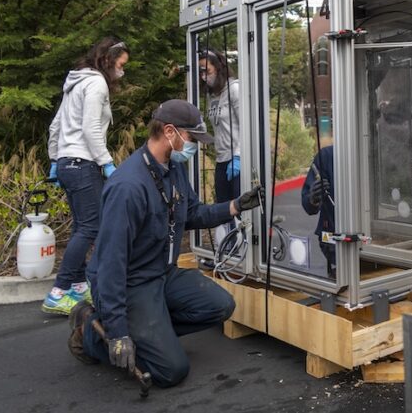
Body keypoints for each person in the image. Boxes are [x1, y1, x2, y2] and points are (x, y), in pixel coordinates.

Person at [66, 99, 264, 388]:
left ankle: (152, 335)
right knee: (171, 371)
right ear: (170, 132)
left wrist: (234, 206)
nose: (195, 144)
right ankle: (91, 334)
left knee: (220, 306)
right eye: (192, 138)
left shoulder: (173, 169)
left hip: (162, 272)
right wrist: (119, 332)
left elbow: (192, 213)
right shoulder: (128, 188)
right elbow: (110, 265)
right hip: (131, 282)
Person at [44, 38, 129, 315]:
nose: (122, 71)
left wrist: (55, 160)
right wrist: (107, 164)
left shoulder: (75, 83)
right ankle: (58, 292)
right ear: (108, 60)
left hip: (69, 164)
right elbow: (91, 129)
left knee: (81, 226)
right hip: (84, 164)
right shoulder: (96, 84)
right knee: (91, 228)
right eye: (120, 65)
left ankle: (79, 286)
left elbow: (56, 125)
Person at [198, 49, 241, 202]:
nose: (204, 76)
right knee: (223, 209)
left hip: (237, 160)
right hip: (221, 159)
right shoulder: (211, 95)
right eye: (200, 72)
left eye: (206, 71)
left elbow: (245, 127)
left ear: (218, 67)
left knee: (239, 210)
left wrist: (239, 157)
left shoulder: (234, 90)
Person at [300, 146, 336, 275]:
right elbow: (307, 205)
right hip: (334, 243)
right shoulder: (327, 156)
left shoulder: (373, 154)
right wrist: (313, 198)